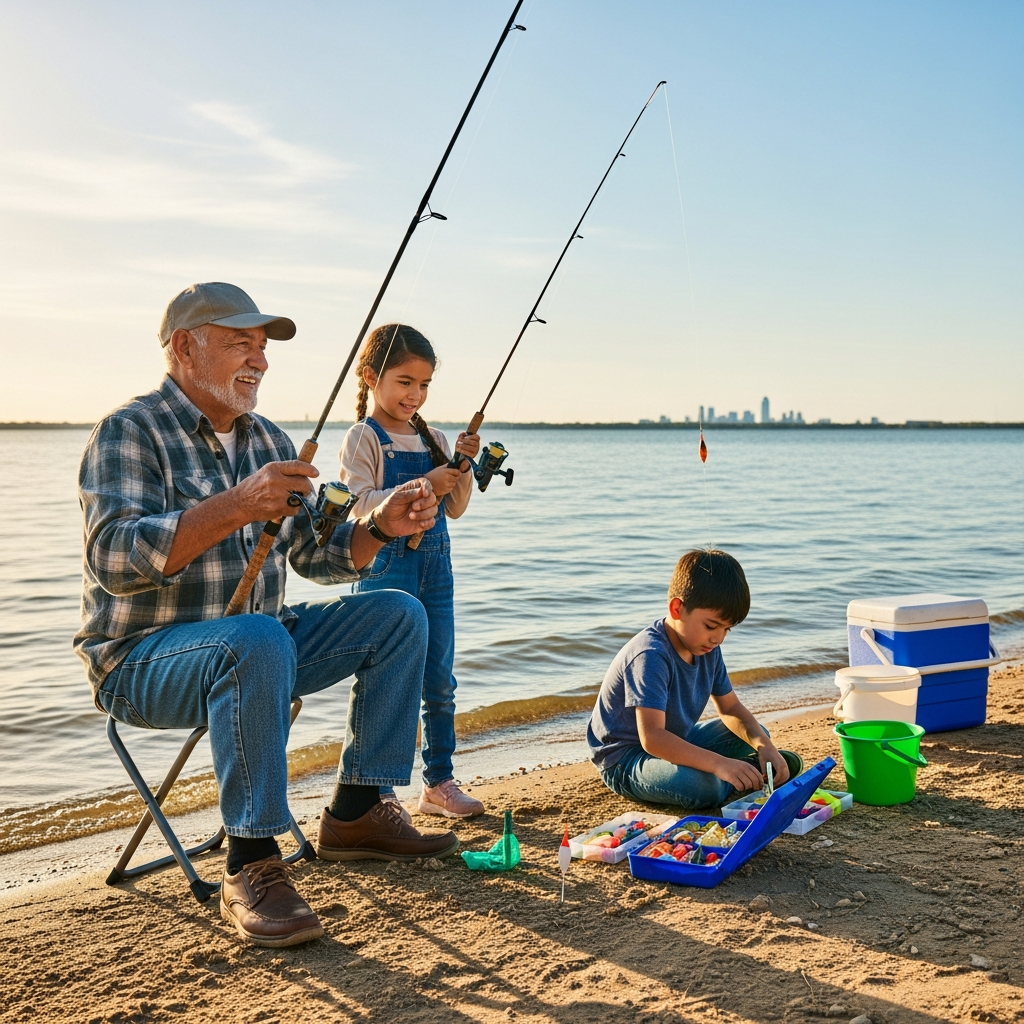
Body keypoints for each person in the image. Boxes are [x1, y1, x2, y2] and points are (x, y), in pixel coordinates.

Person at [77, 283, 460, 949]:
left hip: (259, 648)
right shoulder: (128, 430)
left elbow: (319, 555)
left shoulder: (270, 439)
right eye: (239, 343)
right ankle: (251, 861)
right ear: (184, 347)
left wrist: (380, 526)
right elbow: (112, 558)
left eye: (262, 347)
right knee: (255, 638)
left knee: (396, 612)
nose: (258, 360)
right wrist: (236, 504)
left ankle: (358, 810)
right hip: (141, 661)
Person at [339, 324, 484, 819]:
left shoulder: (437, 437)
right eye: (404, 381)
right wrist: (428, 481)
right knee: (384, 681)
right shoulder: (364, 437)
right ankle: (375, 792)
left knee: (439, 678)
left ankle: (438, 783)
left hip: (436, 569)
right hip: (384, 568)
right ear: (370, 377)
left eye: (423, 385)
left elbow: (458, 507)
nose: (414, 395)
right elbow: (358, 508)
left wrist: (459, 468)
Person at [587, 549, 803, 809]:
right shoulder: (651, 655)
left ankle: (749, 770)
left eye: (727, 629)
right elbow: (653, 738)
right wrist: (719, 764)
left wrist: (765, 746)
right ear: (677, 609)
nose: (718, 638)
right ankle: (744, 773)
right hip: (627, 760)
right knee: (705, 787)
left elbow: (731, 708)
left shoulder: (707, 648)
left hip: (677, 740)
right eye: (711, 626)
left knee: (757, 734)